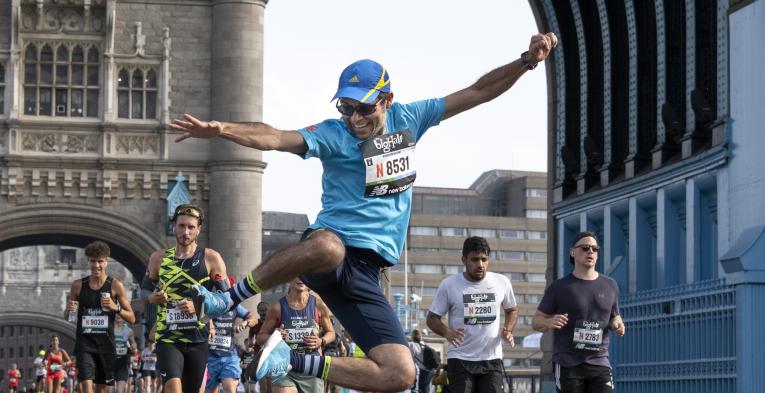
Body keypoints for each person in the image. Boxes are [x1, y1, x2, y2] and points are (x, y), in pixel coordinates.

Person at [173, 32, 558, 391]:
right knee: (330, 249)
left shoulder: (410, 119)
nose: (355, 119)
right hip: (330, 251)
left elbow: (479, 90)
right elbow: (274, 136)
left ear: (387, 101)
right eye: (346, 108)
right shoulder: (333, 133)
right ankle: (229, 297)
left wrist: (527, 61)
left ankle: (293, 360)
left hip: (367, 274)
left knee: (400, 371)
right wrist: (222, 128)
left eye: (364, 109)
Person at [142, 204, 229, 393]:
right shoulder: (158, 258)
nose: (186, 232)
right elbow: (144, 291)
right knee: (173, 387)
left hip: (198, 337)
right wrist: (152, 298)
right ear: (174, 225)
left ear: (198, 229)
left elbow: (227, 299)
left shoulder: (211, 258)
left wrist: (199, 306)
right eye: (181, 226)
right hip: (168, 335)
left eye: (191, 227)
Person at [531, 231, 625, 393]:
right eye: (585, 248)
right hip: (569, 363)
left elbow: (615, 316)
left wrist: (617, 324)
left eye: (595, 249)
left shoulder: (610, 285)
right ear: (572, 252)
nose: (590, 252)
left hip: (599, 361)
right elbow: (536, 321)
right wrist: (548, 322)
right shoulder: (560, 287)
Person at [426, 236, 518, 393]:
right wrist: (447, 332)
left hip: (491, 358)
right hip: (460, 359)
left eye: (484, 259)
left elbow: (512, 310)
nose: (480, 265)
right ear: (464, 260)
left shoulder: (501, 282)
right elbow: (432, 319)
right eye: (474, 260)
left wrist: (508, 329)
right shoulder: (449, 285)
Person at [65, 240, 136, 393]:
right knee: (86, 386)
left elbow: (131, 318)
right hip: (84, 345)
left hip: (106, 345)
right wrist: (69, 309)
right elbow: (68, 317)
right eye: (93, 261)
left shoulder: (115, 285)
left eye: (100, 261)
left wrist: (114, 307)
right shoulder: (78, 286)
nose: (96, 265)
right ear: (88, 261)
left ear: (106, 262)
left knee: (100, 389)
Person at [256, 278, 336, 393]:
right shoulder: (277, 308)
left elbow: (331, 333)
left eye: (304, 275)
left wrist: (321, 341)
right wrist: (274, 336)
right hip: (285, 367)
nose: (301, 279)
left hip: (311, 368)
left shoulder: (318, 305)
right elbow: (260, 338)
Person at [205, 277, 258, 393]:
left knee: (230, 389)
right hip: (210, 357)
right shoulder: (208, 304)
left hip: (229, 356)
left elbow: (253, 318)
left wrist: (246, 322)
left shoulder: (235, 307)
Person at [114, 316, 138, 393]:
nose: (118, 316)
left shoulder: (129, 331)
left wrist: (134, 346)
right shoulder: (109, 327)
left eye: (121, 315)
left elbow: (133, 343)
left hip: (123, 362)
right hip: (110, 361)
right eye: (116, 314)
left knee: (119, 390)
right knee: (109, 390)